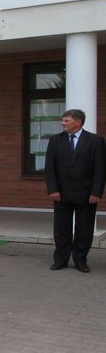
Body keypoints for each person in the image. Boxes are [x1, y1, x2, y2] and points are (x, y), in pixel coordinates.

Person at [45, 109, 105, 273]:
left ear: (78, 123)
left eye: (66, 120)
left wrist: (96, 192)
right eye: (63, 120)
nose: (63, 123)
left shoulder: (96, 141)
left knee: (84, 229)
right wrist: (53, 189)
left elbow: (100, 170)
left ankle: (80, 260)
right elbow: (49, 168)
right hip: (61, 195)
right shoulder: (55, 140)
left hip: (86, 195)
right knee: (61, 229)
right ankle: (61, 259)